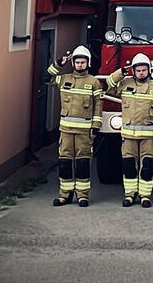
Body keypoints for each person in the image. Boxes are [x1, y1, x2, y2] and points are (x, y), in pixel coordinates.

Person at [105, 53, 153, 208]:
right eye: (138, 70)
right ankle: (130, 195)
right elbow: (108, 86)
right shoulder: (124, 83)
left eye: (143, 70)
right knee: (129, 166)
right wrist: (120, 73)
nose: (141, 73)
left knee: (147, 166)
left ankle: (145, 196)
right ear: (133, 71)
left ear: (148, 70)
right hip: (128, 136)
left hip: (149, 137)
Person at [46, 45, 103, 207]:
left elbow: (98, 106)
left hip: (84, 132)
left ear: (87, 63)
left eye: (82, 62)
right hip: (65, 131)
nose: (80, 65)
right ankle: (64, 195)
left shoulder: (94, 82)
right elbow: (47, 78)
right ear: (74, 63)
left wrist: (96, 127)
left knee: (82, 163)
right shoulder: (64, 79)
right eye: (77, 62)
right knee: (65, 162)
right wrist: (59, 63)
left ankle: (83, 196)